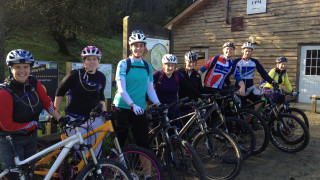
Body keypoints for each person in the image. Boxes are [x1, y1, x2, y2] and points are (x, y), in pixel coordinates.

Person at [0, 49, 66, 178]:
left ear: (30, 68)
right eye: (17, 67)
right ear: (10, 69)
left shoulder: (33, 83)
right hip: (11, 140)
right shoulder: (4, 93)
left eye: (26, 67)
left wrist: (59, 118)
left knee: (29, 173)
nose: (22, 71)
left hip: (31, 138)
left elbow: (46, 101)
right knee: (15, 176)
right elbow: (6, 125)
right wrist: (31, 124)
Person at [113, 30, 160, 180]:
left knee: (143, 144)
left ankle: (147, 175)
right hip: (123, 107)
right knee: (119, 143)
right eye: (135, 45)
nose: (138, 48)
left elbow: (150, 89)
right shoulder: (123, 64)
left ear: (144, 47)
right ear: (130, 47)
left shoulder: (147, 67)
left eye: (141, 45)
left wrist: (158, 103)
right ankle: (116, 174)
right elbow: (121, 89)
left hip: (140, 109)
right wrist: (132, 104)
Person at [55, 46, 106, 157]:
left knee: (96, 151)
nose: (92, 62)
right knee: (80, 153)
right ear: (83, 61)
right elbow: (60, 91)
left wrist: (105, 112)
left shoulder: (101, 77)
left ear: (98, 61)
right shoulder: (75, 75)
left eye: (94, 59)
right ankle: (81, 173)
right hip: (75, 119)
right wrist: (56, 113)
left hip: (95, 119)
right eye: (88, 59)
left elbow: (101, 96)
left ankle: (94, 173)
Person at [154, 54, 202, 122]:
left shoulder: (177, 75)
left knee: (176, 131)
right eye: (168, 65)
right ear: (163, 65)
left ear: (175, 66)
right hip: (160, 110)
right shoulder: (158, 75)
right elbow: (147, 87)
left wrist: (200, 96)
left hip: (173, 109)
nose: (170, 68)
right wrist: (149, 103)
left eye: (172, 65)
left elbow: (189, 87)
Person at [230, 42, 277, 109]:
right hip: (239, 89)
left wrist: (272, 81)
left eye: (249, 51)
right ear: (242, 50)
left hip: (251, 89)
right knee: (240, 108)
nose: (247, 53)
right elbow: (228, 72)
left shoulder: (255, 62)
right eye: (246, 51)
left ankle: (253, 116)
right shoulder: (236, 61)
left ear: (252, 52)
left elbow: (263, 73)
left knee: (263, 100)